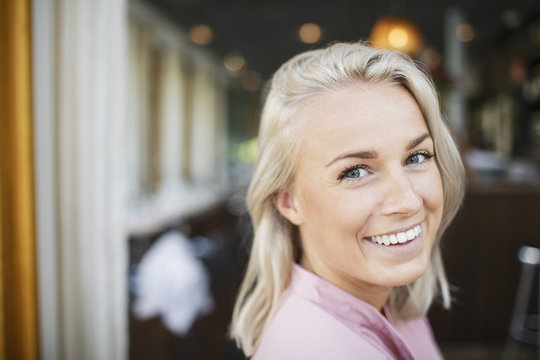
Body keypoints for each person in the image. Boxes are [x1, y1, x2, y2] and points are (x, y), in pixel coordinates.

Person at [230, 42, 465, 359]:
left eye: (417, 156)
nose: (408, 201)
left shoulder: (388, 303)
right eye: (355, 172)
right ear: (287, 201)